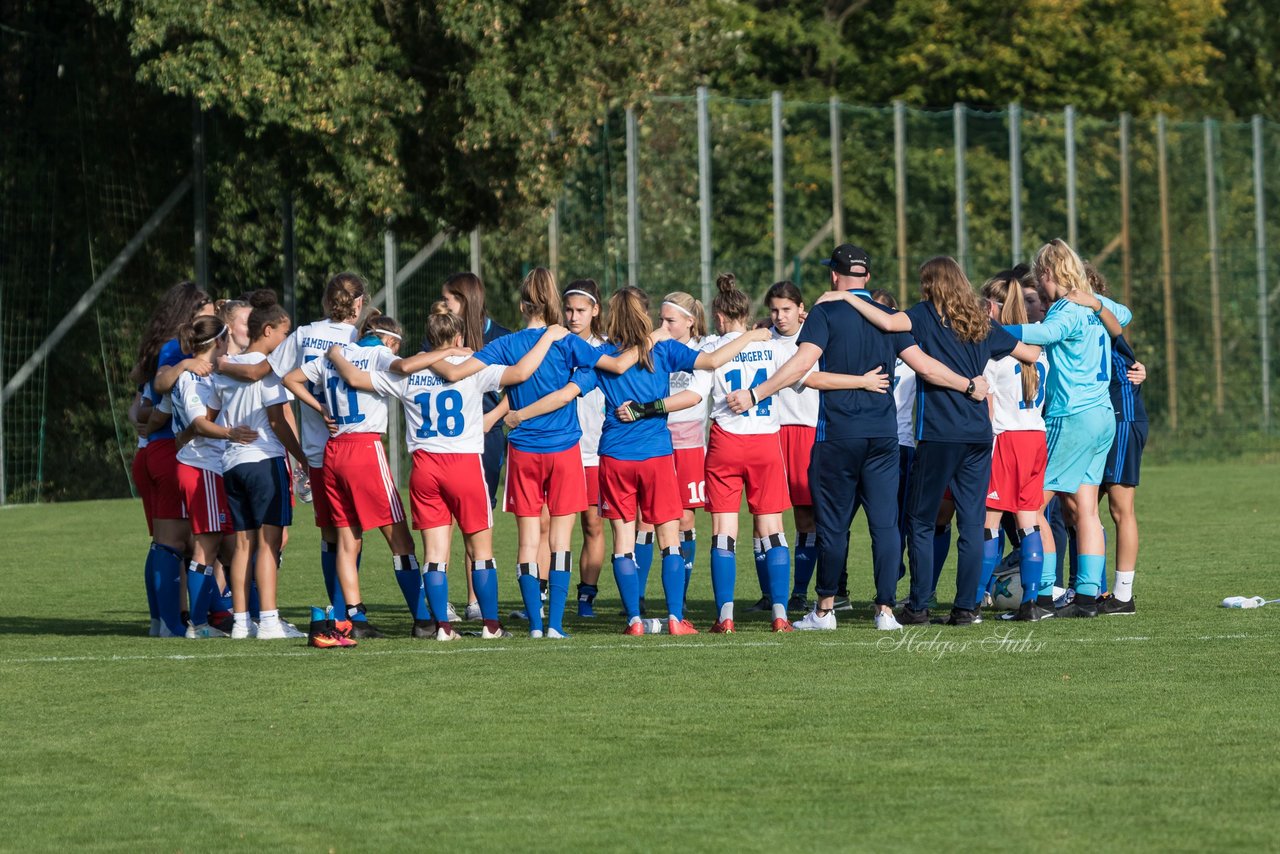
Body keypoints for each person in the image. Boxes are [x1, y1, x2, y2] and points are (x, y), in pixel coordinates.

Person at [732, 245, 986, 631]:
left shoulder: (826, 311)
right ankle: (885, 611)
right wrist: (967, 385)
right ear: (866, 277)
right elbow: (926, 366)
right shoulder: (890, 316)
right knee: (885, 525)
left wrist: (755, 394)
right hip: (884, 437)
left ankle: (825, 609)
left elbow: (801, 365)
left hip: (838, 434)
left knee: (833, 525)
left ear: (835, 276)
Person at [329, 302, 565, 640]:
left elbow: (354, 378)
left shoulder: (408, 373)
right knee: (481, 552)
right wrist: (547, 338)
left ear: (427, 340)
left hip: (425, 468)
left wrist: (336, 355)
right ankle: (491, 626)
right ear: (458, 337)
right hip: (464, 464)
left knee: (435, 555)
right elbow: (521, 374)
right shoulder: (473, 368)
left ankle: (442, 626)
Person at [423, 267, 636, 638]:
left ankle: (535, 625)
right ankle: (554, 625)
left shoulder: (506, 344)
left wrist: (434, 356)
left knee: (527, 541)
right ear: (554, 304)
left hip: (522, 451)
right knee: (560, 541)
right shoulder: (567, 342)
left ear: (522, 305)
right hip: (564, 450)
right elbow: (614, 365)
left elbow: (455, 374)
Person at [590, 285, 773, 634]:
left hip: (614, 454)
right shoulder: (664, 349)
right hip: (657, 454)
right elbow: (715, 360)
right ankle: (676, 618)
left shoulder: (602, 355)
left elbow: (571, 387)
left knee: (624, 541)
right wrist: (749, 337)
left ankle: (634, 620)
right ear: (645, 318)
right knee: (669, 538)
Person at [888, 256, 1042, 626]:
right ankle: (965, 608)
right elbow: (1031, 353)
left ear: (931, 286)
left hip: (939, 434)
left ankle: (919, 606)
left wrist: (844, 299)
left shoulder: (924, 316)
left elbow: (889, 322)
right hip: (978, 435)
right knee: (972, 523)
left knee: (922, 521)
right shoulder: (980, 322)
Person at [1002, 239, 1132, 618]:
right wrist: (1095, 301)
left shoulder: (1066, 309)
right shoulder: (1092, 307)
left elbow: (1045, 334)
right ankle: (1088, 596)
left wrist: (992, 331)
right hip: (1102, 415)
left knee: (1033, 504)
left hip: (1071, 415)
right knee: (1087, 508)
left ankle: (1041, 596)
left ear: (1046, 274)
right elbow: (1123, 315)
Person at [284, 314, 424, 639]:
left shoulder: (333, 355)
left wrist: (320, 408)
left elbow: (290, 380)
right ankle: (422, 619)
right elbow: (401, 369)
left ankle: (355, 617)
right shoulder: (378, 354)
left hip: (334, 451)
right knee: (400, 540)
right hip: (365, 448)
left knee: (348, 541)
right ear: (391, 341)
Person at [210, 291, 309, 640]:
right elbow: (278, 421)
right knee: (269, 544)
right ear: (267, 330)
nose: (285, 340)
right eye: (284, 333)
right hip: (264, 462)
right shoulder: (269, 371)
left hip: (231, 464)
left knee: (241, 545)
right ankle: (267, 620)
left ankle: (240, 622)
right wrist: (302, 458)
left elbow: (208, 415)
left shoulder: (226, 370)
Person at [130, 281, 214, 637]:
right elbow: (160, 388)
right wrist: (188, 365)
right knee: (176, 541)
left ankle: (162, 620)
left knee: (168, 542)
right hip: (170, 451)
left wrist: (142, 422)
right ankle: (174, 622)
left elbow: (137, 407)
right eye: (205, 311)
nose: (211, 318)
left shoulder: (163, 348)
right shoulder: (174, 351)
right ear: (188, 315)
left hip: (153, 450)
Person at [168, 315, 257, 638]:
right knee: (206, 547)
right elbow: (199, 423)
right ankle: (198, 624)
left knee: (234, 547)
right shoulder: (192, 377)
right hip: (200, 466)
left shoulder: (209, 372)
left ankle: (242, 615)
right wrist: (231, 433)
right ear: (219, 341)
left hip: (214, 469)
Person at [629, 291, 714, 614]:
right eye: (660, 319)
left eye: (670, 320)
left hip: (690, 444)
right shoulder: (655, 348)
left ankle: (679, 595)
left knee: (685, 517)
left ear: (690, 322)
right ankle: (635, 597)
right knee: (645, 519)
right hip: (655, 440)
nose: (663, 325)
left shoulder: (703, 350)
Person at [979, 273, 1054, 621]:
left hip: (1006, 439)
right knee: (1028, 522)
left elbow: (989, 409)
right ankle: (1031, 603)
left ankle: (974, 599)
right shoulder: (1041, 355)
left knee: (989, 524)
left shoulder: (995, 358)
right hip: (1035, 438)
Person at [1082, 263, 1147, 615]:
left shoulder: (1101, 322)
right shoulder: (1082, 324)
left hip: (1121, 420)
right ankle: (1087, 589)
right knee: (1078, 506)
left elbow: (1123, 353)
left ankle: (1123, 596)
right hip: (1103, 420)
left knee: (1120, 509)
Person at [763, 281, 821, 613]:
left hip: (806, 432)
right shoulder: (763, 339)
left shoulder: (815, 338)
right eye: (774, 310)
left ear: (801, 308)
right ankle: (770, 592)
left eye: (786, 309)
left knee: (805, 516)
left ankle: (799, 591)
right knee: (766, 516)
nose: (780, 316)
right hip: (769, 432)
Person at [560, 280, 609, 618]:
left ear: (595, 311)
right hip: (557, 449)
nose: (574, 317)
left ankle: (586, 597)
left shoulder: (608, 351)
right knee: (548, 526)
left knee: (592, 525)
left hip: (594, 453)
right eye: (569, 310)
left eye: (581, 310)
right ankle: (544, 594)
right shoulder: (553, 344)